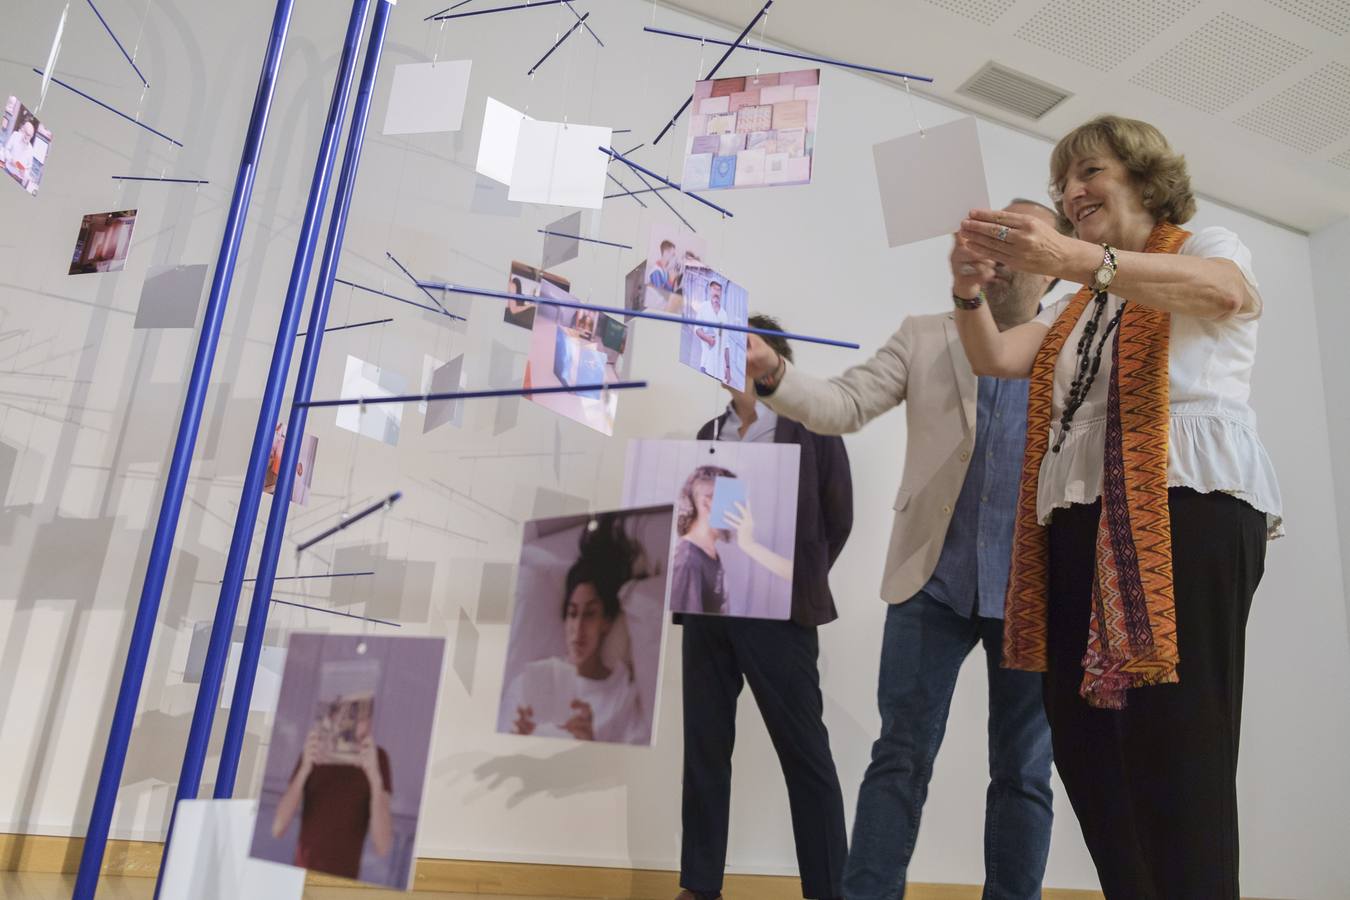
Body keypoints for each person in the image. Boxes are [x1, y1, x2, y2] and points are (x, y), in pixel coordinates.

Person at [950, 115, 1282, 898]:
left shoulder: (1205, 247)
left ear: (1141, 175)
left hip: (1182, 506)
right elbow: (998, 355)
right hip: (1079, 520)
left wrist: (1074, 259)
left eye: (1089, 171)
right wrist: (967, 289)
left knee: (1178, 746)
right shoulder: (1074, 309)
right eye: (1065, 182)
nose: (1073, 191)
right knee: (1085, 745)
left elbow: (1227, 296)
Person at [747, 201, 1061, 900]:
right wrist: (773, 374)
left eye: (1019, 238)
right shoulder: (924, 337)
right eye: (992, 236)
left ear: (1053, 260)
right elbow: (842, 405)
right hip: (932, 584)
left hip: (1036, 591)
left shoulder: (1074, 343)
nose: (1002, 250)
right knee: (900, 758)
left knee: (1024, 770)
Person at [676, 315, 853, 900]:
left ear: (773, 359)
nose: (729, 363)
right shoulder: (710, 429)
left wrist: (789, 580)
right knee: (704, 752)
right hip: (707, 612)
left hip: (780, 616)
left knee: (806, 756)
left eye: (742, 350)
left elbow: (838, 518)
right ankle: (699, 887)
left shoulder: (811, 425)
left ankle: (829, 891)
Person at [505, 513, 645, 744]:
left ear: (607, 621)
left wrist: (590, 745)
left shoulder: (620, 696)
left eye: (589, 614)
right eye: (572, 613)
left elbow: (628, 772)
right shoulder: (526, 685)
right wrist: (514, 741)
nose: (578, 629)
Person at [271, 701, 393, 880]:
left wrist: (375, 779)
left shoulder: (378, 758)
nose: (352, 722)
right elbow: (278, 828)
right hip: (302, 876)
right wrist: (305, 769)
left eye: (361, 715)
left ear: (369, 721)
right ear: (332, 717)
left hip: (342, 883)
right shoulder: (313, 753)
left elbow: (383, 846)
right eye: (347, 714)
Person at [669, 464, 793, 615]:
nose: (741, 508)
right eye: (732, 499)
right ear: (707, 502)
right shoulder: (687, 561)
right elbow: (692, 623)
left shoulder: (710, 553)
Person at [694, 280, 730, 382]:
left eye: (719, 290)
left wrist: (728, 368)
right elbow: (697, 329)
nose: (716, 292)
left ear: (721, 293)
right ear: (710, 290)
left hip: (719, 371)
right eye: (714, 289)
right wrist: (707, 338)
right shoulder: (704, 306)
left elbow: (726, 344)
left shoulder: (724, 314)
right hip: (706, 364)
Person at [3, 120, 35, 185]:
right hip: (7, 171)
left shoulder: (31, 150)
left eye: (29, 135)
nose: (27, 137)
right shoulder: (15, 135)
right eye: (26, 133)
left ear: (31, 136)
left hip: (18, 179)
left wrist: (24, 172)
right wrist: (11, 159)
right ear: (23, 129)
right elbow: (6, 150)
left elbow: (29, 168)